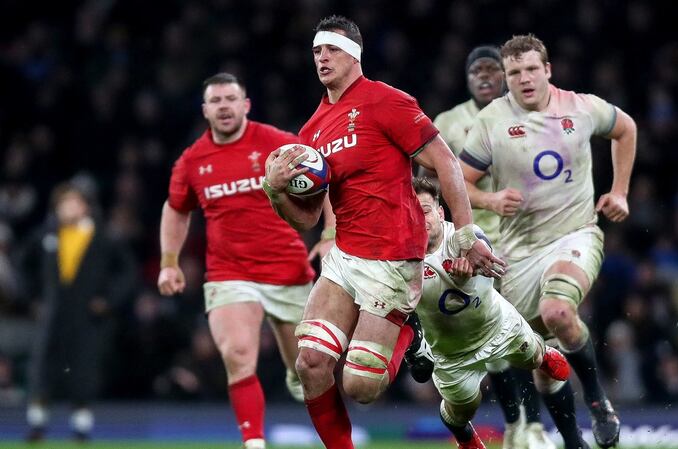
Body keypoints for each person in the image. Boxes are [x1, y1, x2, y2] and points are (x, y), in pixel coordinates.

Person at [262, 15, 503, 449]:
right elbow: (309, 217)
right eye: (316, 51)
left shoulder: (386, 101)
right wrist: (275, 190)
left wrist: (466, 234)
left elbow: (445, 161)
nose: (322, 58)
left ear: (354, 53)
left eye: (331, 49)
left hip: (393, 259)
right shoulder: (312, 130)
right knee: (311, 363)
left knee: (361, 388)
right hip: (345, 257)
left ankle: (411, 330)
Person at [460, 34, 638, 449]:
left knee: (557, 310)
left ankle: (597, 400)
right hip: (518, 253)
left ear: (548, 70)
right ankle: (574, 441)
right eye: (514, 72)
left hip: (576, 233)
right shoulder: (491, 121)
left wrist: (621, 191)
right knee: (542, 359)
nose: (523, 79)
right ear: (505, 78)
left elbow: (626, 129)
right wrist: (490, 198)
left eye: (531, 69)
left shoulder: (581, 106)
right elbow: (460, 182)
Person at [157, 73, 325, 449]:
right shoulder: (192, 161)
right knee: (237, 352)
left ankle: (311, 400)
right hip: (229, 273)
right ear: (205, 110)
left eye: (230, 98)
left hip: (288, 270)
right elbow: (175, 209)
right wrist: (170, 261)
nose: (224, 106)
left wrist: (330, 235)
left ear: (245, 104)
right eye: (215, 100)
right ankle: (254, 442)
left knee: (310, 369)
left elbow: (322, 181)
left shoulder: (278, 145)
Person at [421, 45, 553, 449]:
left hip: (521, 239)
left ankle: (532, 423)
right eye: (476, 69)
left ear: (506, 76)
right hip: (464, 242)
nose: (484, 76)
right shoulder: (447, 121)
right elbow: (428, 182)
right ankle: (520, 424)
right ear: (466, 77)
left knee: (530, 329)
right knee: (493, 334)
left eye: (492, 69)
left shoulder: (527, 116)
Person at [412, 177, 588, 449]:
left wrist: (472, 268)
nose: (419, 218)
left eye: (424, 210)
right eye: (411, 211)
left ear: (440, 212)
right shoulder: (400, 257)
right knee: (462, 411)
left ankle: (543, 355)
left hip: (498, 326)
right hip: (450, 353)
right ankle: (464, 436)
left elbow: (485, 250)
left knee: (533, 357)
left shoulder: (462, 239)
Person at [17, 182, 136, 442]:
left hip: (86, 316)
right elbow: (22, 264)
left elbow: (127, 272)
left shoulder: (102, 236)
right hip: (53, 313)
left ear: (86, 207)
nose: (67, 208)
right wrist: (33, 298)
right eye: (63, 203)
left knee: (83, 368)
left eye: (73, 202)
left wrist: (108, 300)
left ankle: (81, 427)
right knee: (42, 367)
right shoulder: (47, 234)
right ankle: (37, 424)